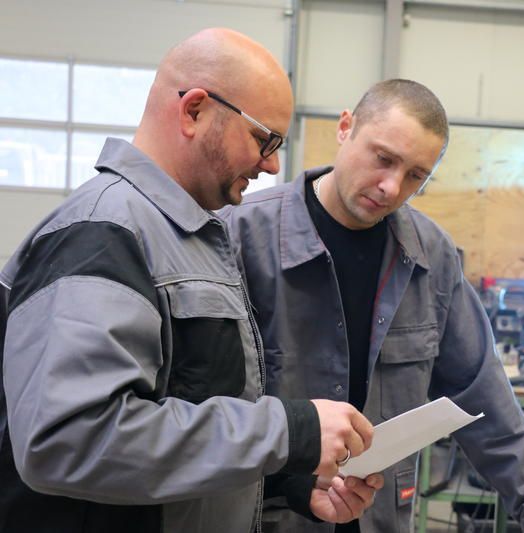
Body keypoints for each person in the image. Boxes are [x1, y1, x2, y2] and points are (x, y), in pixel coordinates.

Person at [0, 28, 382, 533]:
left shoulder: (191, 236)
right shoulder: (103, 235)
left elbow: (183, 423)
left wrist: (289, 481)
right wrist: (288, 432)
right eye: (263, 138)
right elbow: (68, 440)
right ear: (195, 110)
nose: (271, 164)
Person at [219, 79, 524, 533]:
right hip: (269, 518)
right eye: (384, 159)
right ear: (345, 127)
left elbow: (481, 390)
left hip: (380, 517)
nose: (392, 187)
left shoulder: (430, 256)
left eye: (416, 176)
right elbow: (203, 412)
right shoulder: (238, 238)